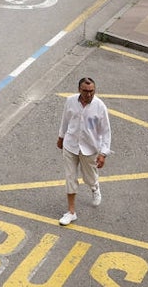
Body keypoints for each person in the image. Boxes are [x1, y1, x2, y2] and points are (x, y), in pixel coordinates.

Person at [56, 77, 111, 226]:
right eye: (85, 91)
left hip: (90, 148)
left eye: (91, 91)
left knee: (89, 178)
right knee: (70, 178)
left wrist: (103, 153)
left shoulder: (100, 107)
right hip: (71, 145)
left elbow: (106, 132)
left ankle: (95, 187)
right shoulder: (70, 101)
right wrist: (61, 137)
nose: (88, 94)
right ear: (79, 90)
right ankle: (71, 212)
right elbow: (65, 120)